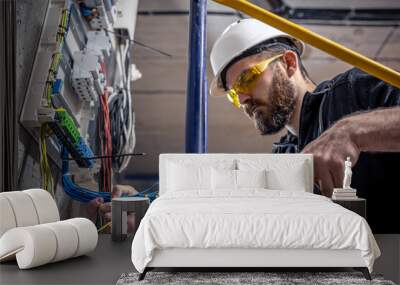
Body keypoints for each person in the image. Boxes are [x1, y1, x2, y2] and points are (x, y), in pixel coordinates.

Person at [209, 19, 400, 233]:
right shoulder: (283, 155)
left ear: (289, 63)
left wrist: (351, 131)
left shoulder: (352, 93)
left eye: (247, 78)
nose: (242, 98)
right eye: (233, 94)